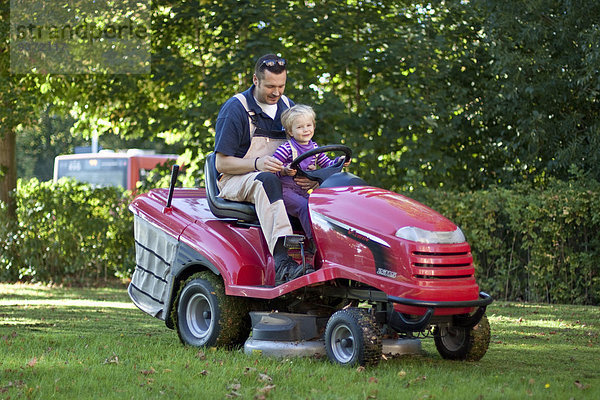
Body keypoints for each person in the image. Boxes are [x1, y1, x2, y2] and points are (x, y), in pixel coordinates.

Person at [213, 54, 310, 285]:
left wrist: (310, 178)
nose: (277, 92)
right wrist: (258, 164)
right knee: (266, 181)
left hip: (280, 179)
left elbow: (301, 149)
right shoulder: (236, 109)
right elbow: (221, 164)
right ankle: (283, 262)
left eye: (281, 85)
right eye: (270, 86)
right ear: (255, 80)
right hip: (236, 179)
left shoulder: (288, 108)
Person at [273, 104, 349, 242]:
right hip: (285, 190)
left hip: (303, 190)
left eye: (308, 125)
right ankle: (314, 241)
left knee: (322, 206)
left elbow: (327, 164)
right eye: (300, 127)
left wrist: (339, 161)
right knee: (304, 207)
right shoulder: (286, 149)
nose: (305, 129)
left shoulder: (314, 148)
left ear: (314, 126)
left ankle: (334, 239)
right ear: (290, 132)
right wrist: (284, 170)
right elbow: (271, 169)